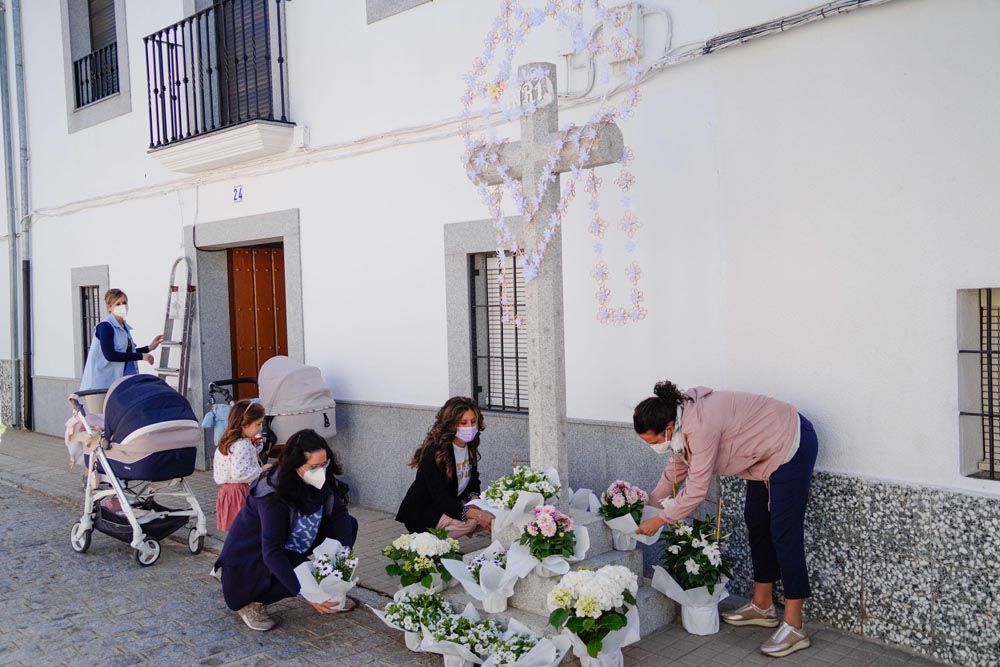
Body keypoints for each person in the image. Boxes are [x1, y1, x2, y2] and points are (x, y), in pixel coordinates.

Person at [632, 381, 818, 658]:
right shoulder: (681, 426)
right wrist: (645, 508)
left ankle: (794, 625)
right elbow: (675, 472)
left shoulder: (699, 426)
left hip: (790, 442)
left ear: (668, 428)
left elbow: (696, 491)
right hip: (761, 455)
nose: (654, 447)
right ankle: (763, 605)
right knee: (756, 521)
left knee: (783, 532)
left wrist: (659, 521)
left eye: (654, 441)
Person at [215, 429, 358, 631]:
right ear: (295, 465)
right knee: (290, 573)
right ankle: (252, 602)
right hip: (252, 557)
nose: (321, 471)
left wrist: (342, 564)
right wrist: (308, 594)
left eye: (324, 464)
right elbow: (272, 552)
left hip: (291, 543)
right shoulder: (271, 493)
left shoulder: (319, 479)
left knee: (349, 525)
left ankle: (328, 586)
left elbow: (340, 514)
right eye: (314, 466)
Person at [396, 396, 494, 538]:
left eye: (473, 422)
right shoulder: (434, 453)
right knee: (472, 522)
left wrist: (475, 501)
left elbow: (472, 481)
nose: (470, 427)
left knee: (489, 514)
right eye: (463, 423)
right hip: (425, 511)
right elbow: (441, 499)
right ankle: (433, 545)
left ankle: (443, 547)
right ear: (451, 424)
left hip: (447, 507)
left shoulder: (469, 446)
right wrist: (477, 514)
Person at [79, 288, 163, 391]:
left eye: (124, 303)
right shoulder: (105, 327)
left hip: (119, 383)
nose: (122, 306)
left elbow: (125, 353)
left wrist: (149, 348)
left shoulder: (124, 327)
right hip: (101, 385)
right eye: (118, 304)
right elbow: (110, 355)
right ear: (109, 307)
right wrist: (141, 356)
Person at [213, 400, 266, 532]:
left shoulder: (228, 442)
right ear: (244, 424)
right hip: (240, 493)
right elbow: (240, 473)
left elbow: (243, 458)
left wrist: (255, 444)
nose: (260, 428)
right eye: (258, 424)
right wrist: (261, 470)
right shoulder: (242, 445)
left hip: (227, 492)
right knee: (247, 531)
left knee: (236, 533)